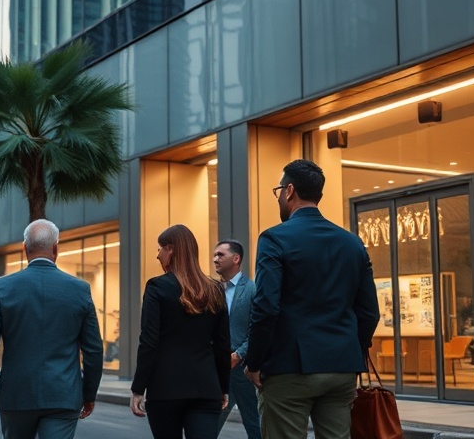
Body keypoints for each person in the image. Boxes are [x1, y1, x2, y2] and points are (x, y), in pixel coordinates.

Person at [244, 159, 380, 439]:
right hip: (341, 368)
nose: (279, 197)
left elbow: (266, 307)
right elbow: (369, 312)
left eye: (278, 190)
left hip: (288, 368)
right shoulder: (352, 243)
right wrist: (353, 349)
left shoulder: (274, 238)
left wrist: (254, 361)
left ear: (289, 191)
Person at [0, 219, 104, 439]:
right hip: (63, 395)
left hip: (16, 395)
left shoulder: (3, 288)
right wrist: (88, 393)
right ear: (56, 248)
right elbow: (94, 349)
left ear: (25, 249)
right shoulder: (80, 290)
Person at [130, 224, 231, 439]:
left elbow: (148, 341)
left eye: (160, 248)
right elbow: (222, 346)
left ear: (172, 249)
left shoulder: (157, 287)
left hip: (165, 388)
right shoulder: (215, 289)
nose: (158, 255)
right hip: (205, 387)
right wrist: (223, 387)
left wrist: (139, 388)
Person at [213, 239, 261, 439]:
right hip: (217, 368)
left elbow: (257, 329)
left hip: (242, 370)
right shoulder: (212, 290)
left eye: (220, 255)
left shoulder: (251, 290)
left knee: (254, 424)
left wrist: (239, 354)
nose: (215, 259)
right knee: (209, 424)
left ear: (236, 258)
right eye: (214, 255)